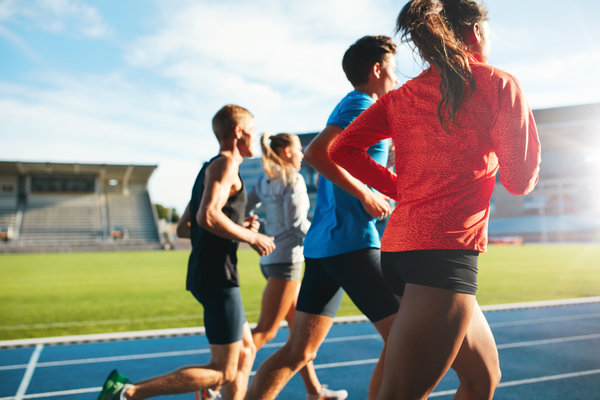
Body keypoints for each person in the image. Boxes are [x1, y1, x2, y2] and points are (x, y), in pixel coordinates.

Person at [329, 1, 541, 399]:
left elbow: (343, 149)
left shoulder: (401, 95)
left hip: (400, 254)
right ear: (476, 32)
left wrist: (399, 188)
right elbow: (519, 181)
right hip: (441, 259)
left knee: (482, 380)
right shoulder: (498, 83)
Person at [246, 35, 400, 400]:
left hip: (324, 246)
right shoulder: (361, 102)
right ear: (377, 70)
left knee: (300, 351)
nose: (397, 79)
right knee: (403, 338)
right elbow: (317, 153)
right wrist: (365, 194)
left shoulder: (357, 107)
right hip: (350, 241)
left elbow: (345, 161)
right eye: (393, 70)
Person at [97, 104, 276, 400]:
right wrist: (251, 237)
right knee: (224, 371)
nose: (255, 138)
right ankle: (127, 393)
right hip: (218, 276)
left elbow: (185, 227)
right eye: (253, 131)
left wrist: (236, 223)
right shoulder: (226, 165)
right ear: (238, 132)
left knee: (245, 351)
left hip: (209, 272)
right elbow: (207, 217)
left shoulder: (208, 167)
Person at [246, 133, 348, 400]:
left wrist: (252, 223)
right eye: (298, 148)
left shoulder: (264, 179)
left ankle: (315, 392)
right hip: (287, 262)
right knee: (265, 332)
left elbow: (246, 206)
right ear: (284, 150)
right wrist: (322, 238)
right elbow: (297, 224)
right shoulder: (293, 179)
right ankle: (219, 379)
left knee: (299, 336)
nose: (303, 153)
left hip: (269, 260)